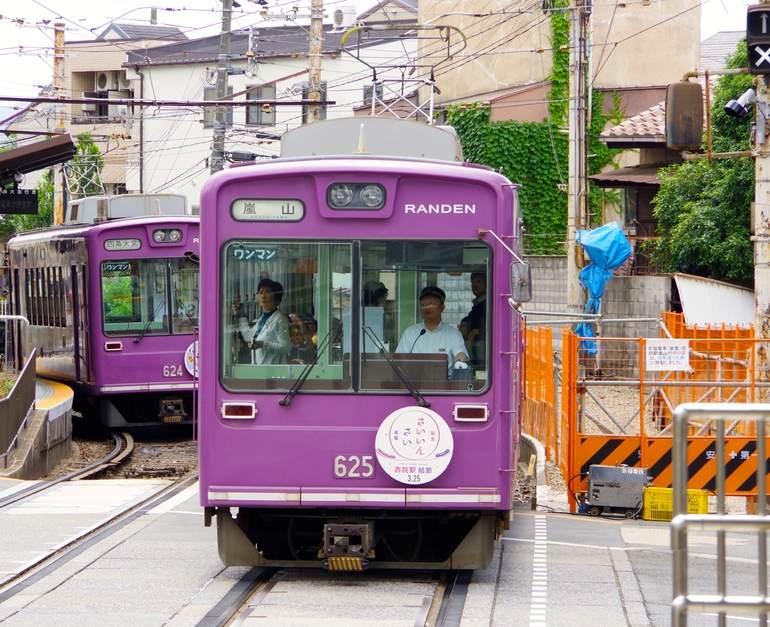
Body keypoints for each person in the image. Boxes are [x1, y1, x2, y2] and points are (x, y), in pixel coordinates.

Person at [396, 286, 468, 372]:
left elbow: (460, 353)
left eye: (432, 304)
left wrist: (459, 362)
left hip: (444, 382)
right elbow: (399, 360)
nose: (427, 308)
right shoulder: (410, 333)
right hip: (414, 382)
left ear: (442, 308)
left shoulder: (453, 334)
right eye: (423, 304)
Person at [237, 278, 291, 364]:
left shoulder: (279, 318)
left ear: (276, 296)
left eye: (267, 292)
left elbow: (286, 347)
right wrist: (241, 314)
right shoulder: (262, 319)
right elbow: (248, 336)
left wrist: (263, 344)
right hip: (260, 372)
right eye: (260, 292)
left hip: (275, 372)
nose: (263, 296)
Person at [466, 272, 487, 367]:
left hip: (486, 354)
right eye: (472, 281)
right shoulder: (477, 305)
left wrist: (477, 332)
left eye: (478, 281)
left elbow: (497, 328)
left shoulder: (490, 305)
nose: (474, 284)